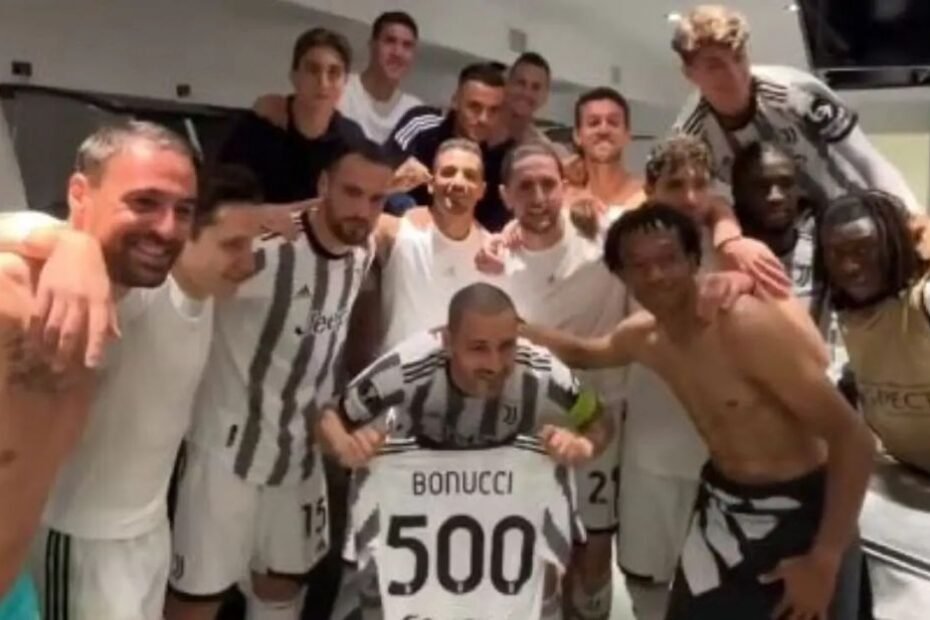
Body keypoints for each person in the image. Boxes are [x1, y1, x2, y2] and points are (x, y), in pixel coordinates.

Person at [523, 202, 875, 620]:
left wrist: (826, 558)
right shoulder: (645, 338)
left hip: (806, 514)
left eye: (668, 259)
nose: (656, 275)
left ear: (694, 260)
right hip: (723, 507)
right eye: (639, 265)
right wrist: (511, 328)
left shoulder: (742, 324)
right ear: (621, 275)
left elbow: (853, 438)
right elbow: (586, 353)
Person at [165, 140, 395, 620]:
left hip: (299, 459)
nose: (362, 211)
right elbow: (184, 270)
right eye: (352, 192)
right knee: (196, 602)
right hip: (225, 457)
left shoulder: (363, 251)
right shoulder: (264, 251)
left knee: (281, 587)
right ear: (324, 185)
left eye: (376, 199)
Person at [671, 4, 920, 213]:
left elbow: (866, 159)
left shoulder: (797, 94)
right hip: (775, 240)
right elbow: (692, 207)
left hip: (851, 216)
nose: (735, 76)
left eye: (738, 58)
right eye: (715, 66)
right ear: (689, 74)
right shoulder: (689, 137)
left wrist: (913, 217)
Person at [814, 190, 930, 619]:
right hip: (909, 488)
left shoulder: (921, 300)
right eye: (837, 253)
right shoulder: (850, 313)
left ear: (893, 244)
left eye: (864, 249)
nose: (850, 265)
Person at [731, 141, 847, 381]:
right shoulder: (721, 255)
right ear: (738, 193)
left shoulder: (824, 246)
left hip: (820, 388)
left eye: (785, 184)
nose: (775, 196)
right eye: (761, 186)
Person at [220, 27, 366, 204]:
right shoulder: (257, 128)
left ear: (345, 81)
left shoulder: (352, 141)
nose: (323, 83)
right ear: (294, 76)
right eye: (313, 70)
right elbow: (221, 205)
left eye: (334, 72)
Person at [255, 12, 422, 145]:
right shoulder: (337, 88)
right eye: (390, 41)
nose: (398, 53)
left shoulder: (416, 112)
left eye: (407, 45)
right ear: (372, 45)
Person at [387, 62, 512, 231]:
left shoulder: (500, 161)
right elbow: (374, 178)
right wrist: (395, 179)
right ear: (455, 101)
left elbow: (493, 226)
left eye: (493, 110)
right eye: (475, 107)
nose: (484, 118)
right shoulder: (422, 126)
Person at [565, 87, 645, 215]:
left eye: (613, 122)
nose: (603, 130)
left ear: (627, 134)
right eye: (593, 123)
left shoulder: (648, 196)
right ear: (577, 136)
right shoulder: (564, 201)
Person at [489, 51, 553, 147]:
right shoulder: (480, 124)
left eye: (535, 87)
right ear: (507, 83)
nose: (526, 93)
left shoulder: (540, 147)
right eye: (521, 83)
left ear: (545, 96)